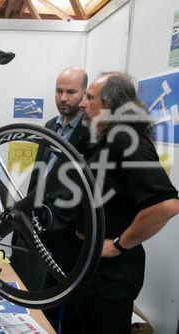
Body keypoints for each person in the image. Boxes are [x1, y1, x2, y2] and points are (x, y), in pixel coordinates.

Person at [61, 72, 179, 333]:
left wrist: (118, 245)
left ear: (111, 105)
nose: (81, 103)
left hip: (111, 274)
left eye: (89, 98)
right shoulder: (103, 137)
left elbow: (166, 205)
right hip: (89, 262)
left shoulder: (127, 140)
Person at [9, 67, 89, 329]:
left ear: (84, 94)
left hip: (66, 235)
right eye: (59, 91)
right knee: (28, 293)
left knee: (55, 302)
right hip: (36, 224)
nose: (63, 97)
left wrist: (60, 222)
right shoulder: (49, 126)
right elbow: (37, 176)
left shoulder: (91, 134)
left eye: (71, 92)